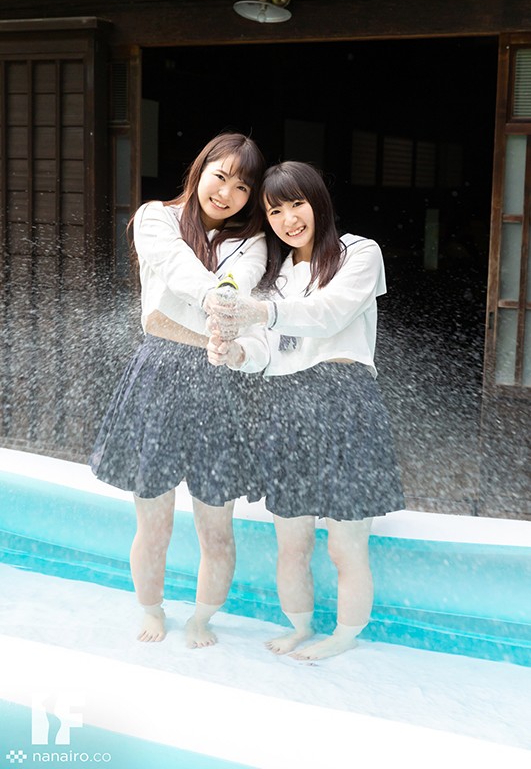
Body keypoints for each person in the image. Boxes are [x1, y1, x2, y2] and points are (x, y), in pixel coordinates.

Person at [207, 161, 404, 660]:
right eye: (275, 211)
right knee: (292, 542)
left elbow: (329, 314)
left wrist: (260, 311)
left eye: (297, 204)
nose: (289, 219)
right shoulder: (274, 279)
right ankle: (298, 627)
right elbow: (263, 349)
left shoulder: (359, 253)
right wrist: (234, 352)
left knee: (343, 545)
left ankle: (343, 635)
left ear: (319, 202)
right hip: (286, 407)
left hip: (344, 401)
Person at [90, 133, 267, 647]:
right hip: (159, 376)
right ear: (200, 170)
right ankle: (152, 610)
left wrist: (223, 298)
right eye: (221, 176)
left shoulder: (253, 241)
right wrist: (218, 300)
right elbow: (174, 271)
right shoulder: (156, 218)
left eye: (242, 187)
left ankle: (202, 618)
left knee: (217, 528)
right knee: (155, 523)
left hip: (221, 379)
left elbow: (243, 278)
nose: (227, 193)